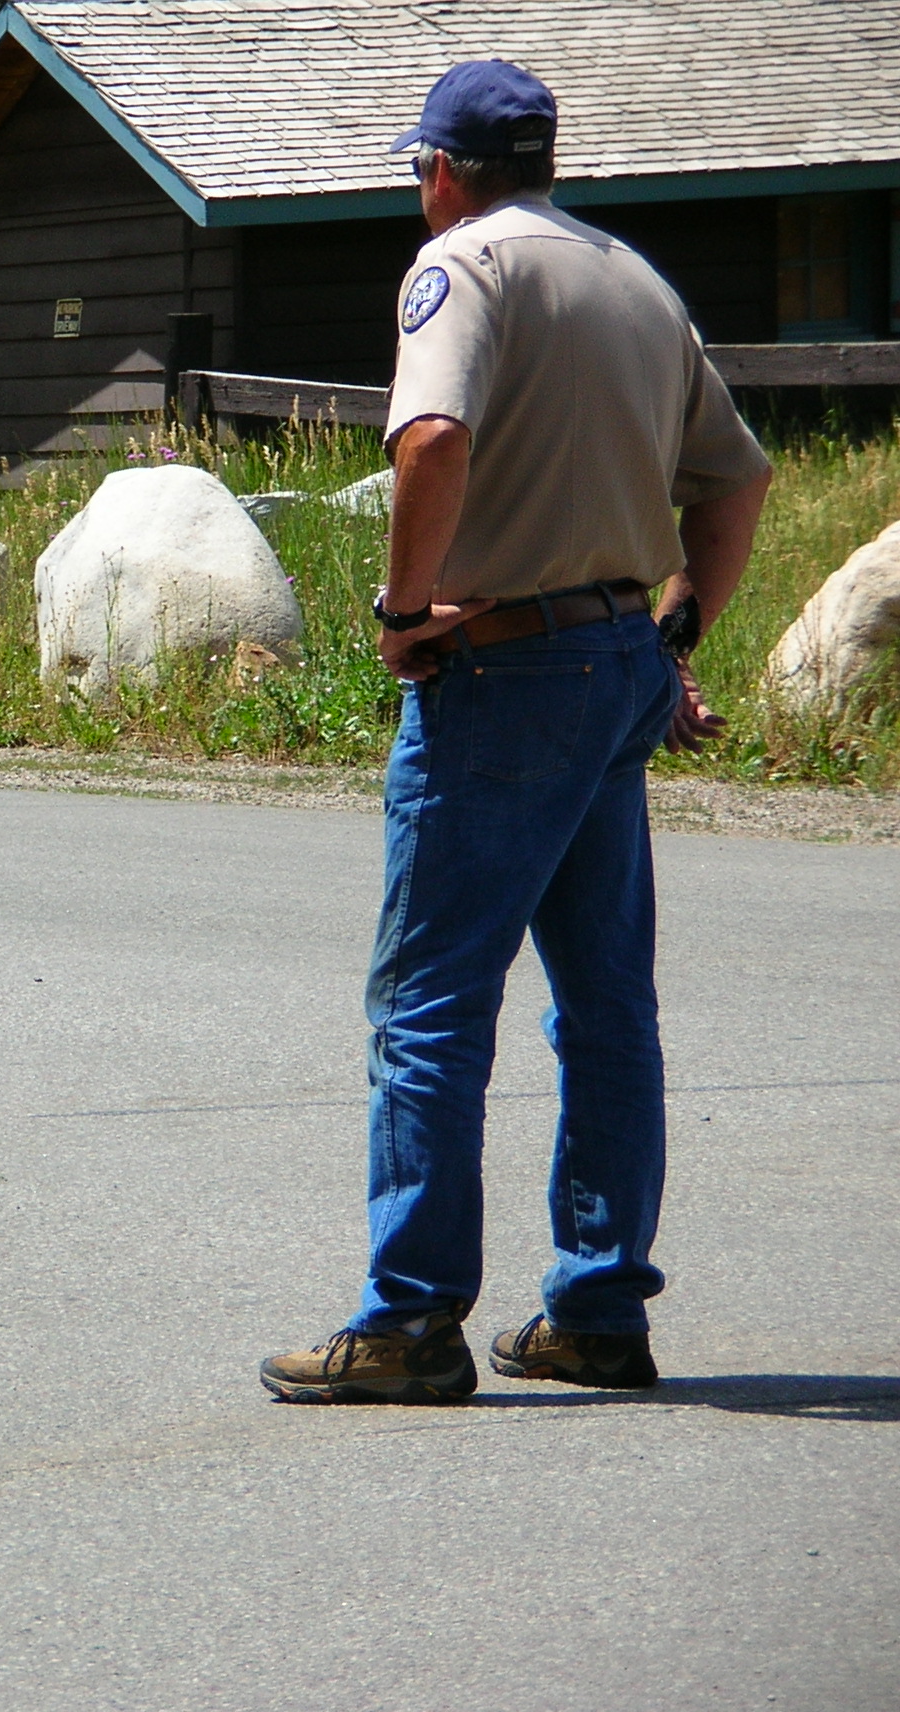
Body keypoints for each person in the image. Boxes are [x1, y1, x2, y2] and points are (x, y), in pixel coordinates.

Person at [259, 59, 773, 1405]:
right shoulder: (635, 279)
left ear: (438, 171)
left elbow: (431, 439)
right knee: (605, 1003)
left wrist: (399, 606)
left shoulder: (462, 270)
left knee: (429, 1000)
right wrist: (672, 640)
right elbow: (737, 480)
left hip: (502, 664)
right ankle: (599, 1307)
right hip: (615, 657)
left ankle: (409, 1322)